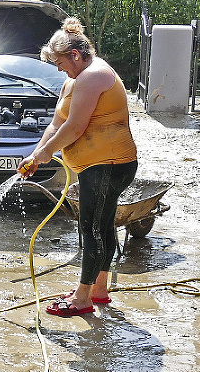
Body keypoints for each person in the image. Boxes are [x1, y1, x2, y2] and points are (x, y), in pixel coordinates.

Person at [17, 18, 138, 318]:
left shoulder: (94, 76)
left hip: (109, 164)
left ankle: (83, 298)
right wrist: (36, 154)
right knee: (102, 225)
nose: (58, 69)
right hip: (97, 165)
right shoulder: (75, 79)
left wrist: (47, 153)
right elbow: (57, 122)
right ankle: (98, 289)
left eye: (59, 62)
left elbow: (74, 127)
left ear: (74, 55)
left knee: (92, 227)